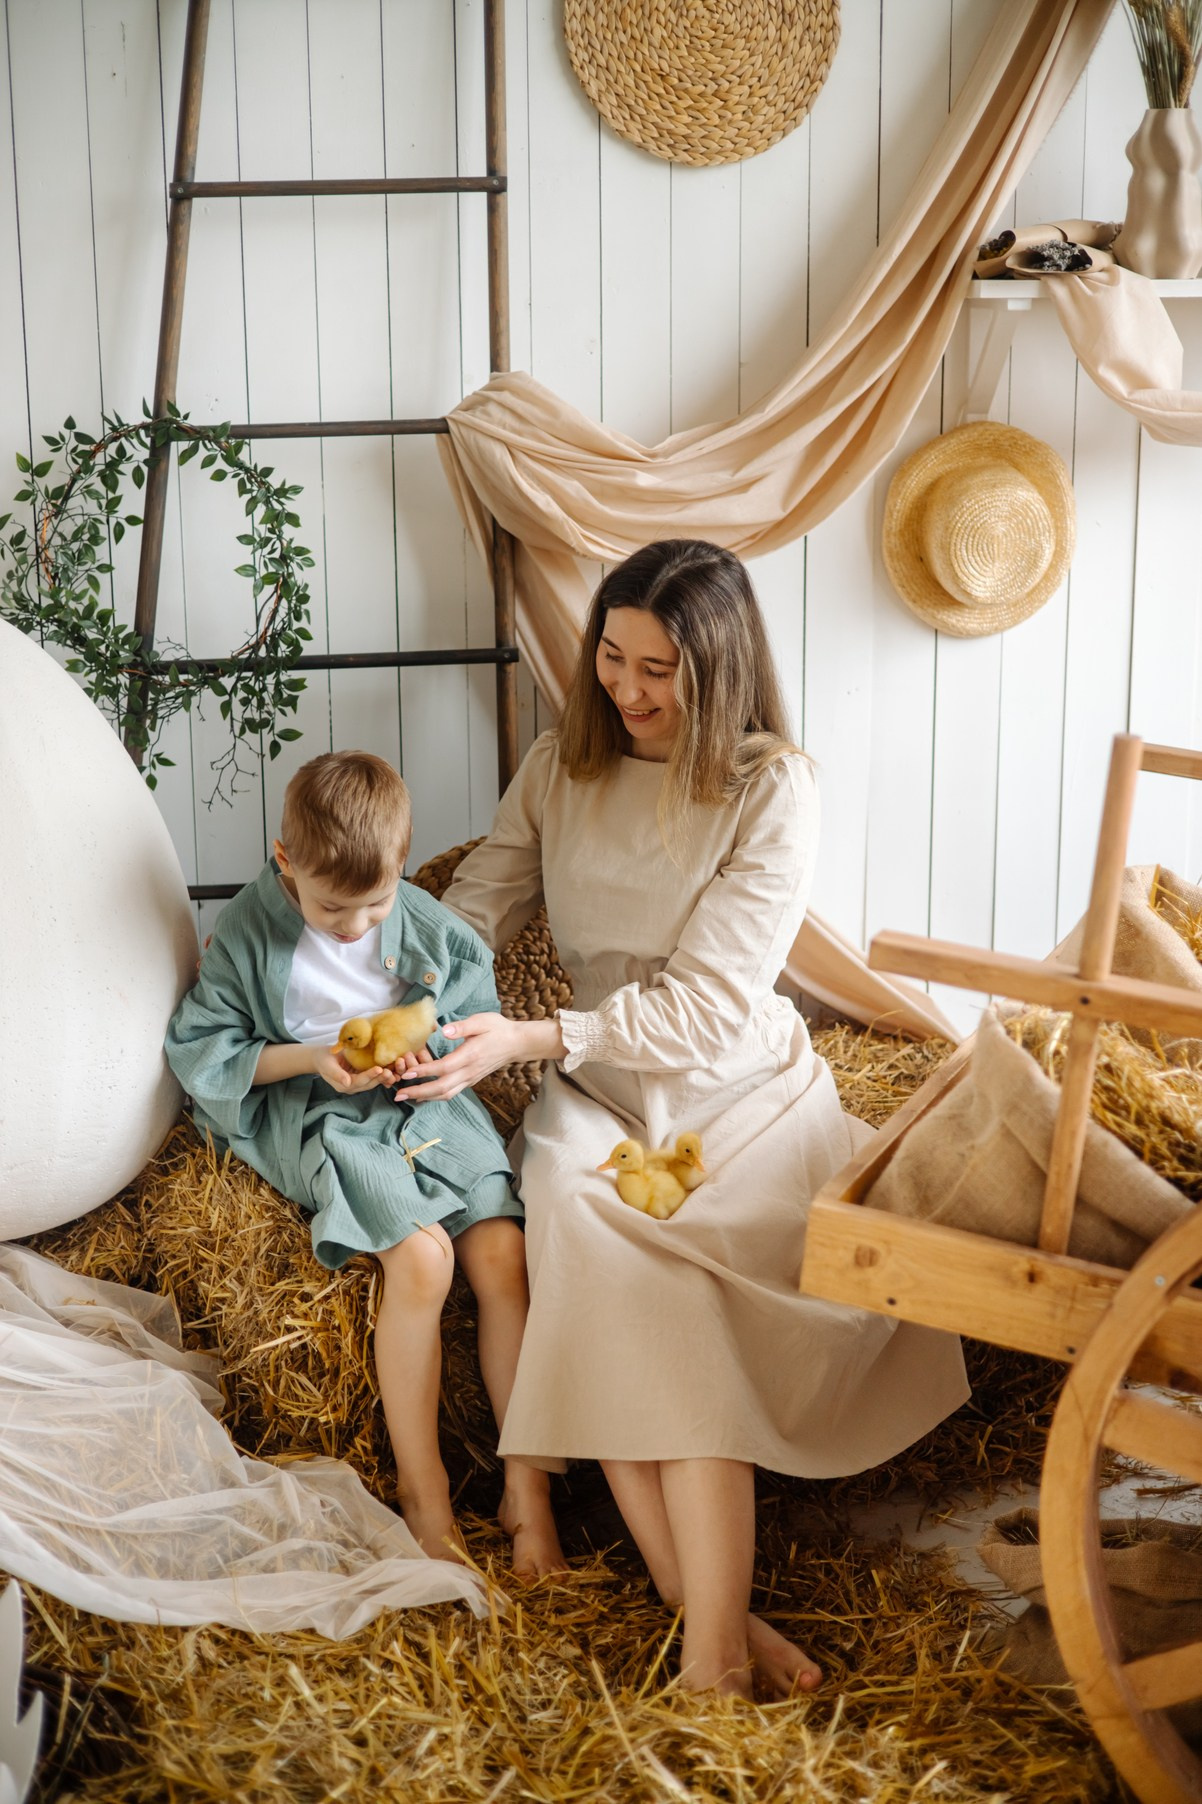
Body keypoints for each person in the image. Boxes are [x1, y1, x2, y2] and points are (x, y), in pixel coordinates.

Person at [398, 540, 969, 1697]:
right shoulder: (562, 760)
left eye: (657, 668)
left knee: (670, 1296)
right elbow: (478, 906)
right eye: (610, 655)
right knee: (596, 1261)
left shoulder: (772, 787)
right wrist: (400, 986)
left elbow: (710, 1007)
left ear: (718, 669)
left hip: (728, 1100)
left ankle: (706, 1646)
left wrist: (537, 1037)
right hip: (598, 1105)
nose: (626, 687)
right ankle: (709, 1623)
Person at [165, 750, 564, 1578]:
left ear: (403, 869)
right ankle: (427, 1497)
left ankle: (529, 1487)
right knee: (422, 1261)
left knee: (501, 1252)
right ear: (286, 864)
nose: (354, 925)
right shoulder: (246, 931)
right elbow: (202, 1048)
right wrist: (314, 1059)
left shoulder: (426, 925)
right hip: (321, 1107)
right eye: (331, 907)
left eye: (375, 902)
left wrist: (435, 1058)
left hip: (423, 1100)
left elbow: (467, 1022)